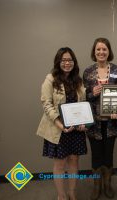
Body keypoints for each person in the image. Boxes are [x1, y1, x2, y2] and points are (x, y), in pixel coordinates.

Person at [36, 47, 87, 200]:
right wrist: (60, 125)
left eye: (70, 60)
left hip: (76, 130)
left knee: (73, 161)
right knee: (60, 164)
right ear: (58, 62)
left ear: (74, 62)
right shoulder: (50, 79)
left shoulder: (78, 80)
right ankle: (62, 196)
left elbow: (82, 104)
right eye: (63, 60)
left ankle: (72, 192)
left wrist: (83, 122)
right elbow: (46, 104)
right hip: (58, 129)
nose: (67, 63)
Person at [83, 37, 117, 200]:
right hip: (94, 122)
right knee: (96, 155)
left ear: (109, 51)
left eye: (104, 49)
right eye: (98, 49)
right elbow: (83, 97)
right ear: (94, 51)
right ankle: (96, 186)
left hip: (111, 122)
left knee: (108, 155)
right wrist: (93, 93)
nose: (101, 52)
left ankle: (107, 184)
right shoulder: (88, 72)